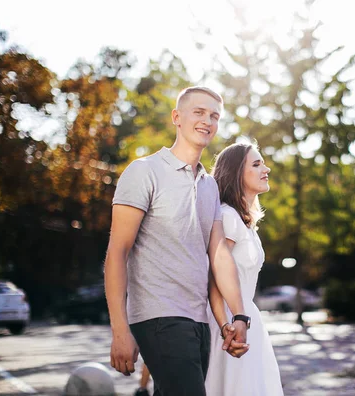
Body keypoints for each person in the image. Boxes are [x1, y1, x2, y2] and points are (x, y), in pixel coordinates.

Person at [105, 86, 250, 396]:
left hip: (199, 319)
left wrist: (237, 316)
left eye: (214, 116)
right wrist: (120, 330)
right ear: (177, 118)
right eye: (198, 112)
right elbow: (117, 252)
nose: (207, 121)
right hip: (159, 315)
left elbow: (219, 253)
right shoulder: (144, 172)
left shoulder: (209, 185)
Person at [206, 142, 284, 395]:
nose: (267, 168)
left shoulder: (243, 221)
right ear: (236, 173)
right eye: (257, 163)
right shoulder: (227, 217)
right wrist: (225, 326)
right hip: (230, 322)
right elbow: (214, 277)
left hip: (246, 317)